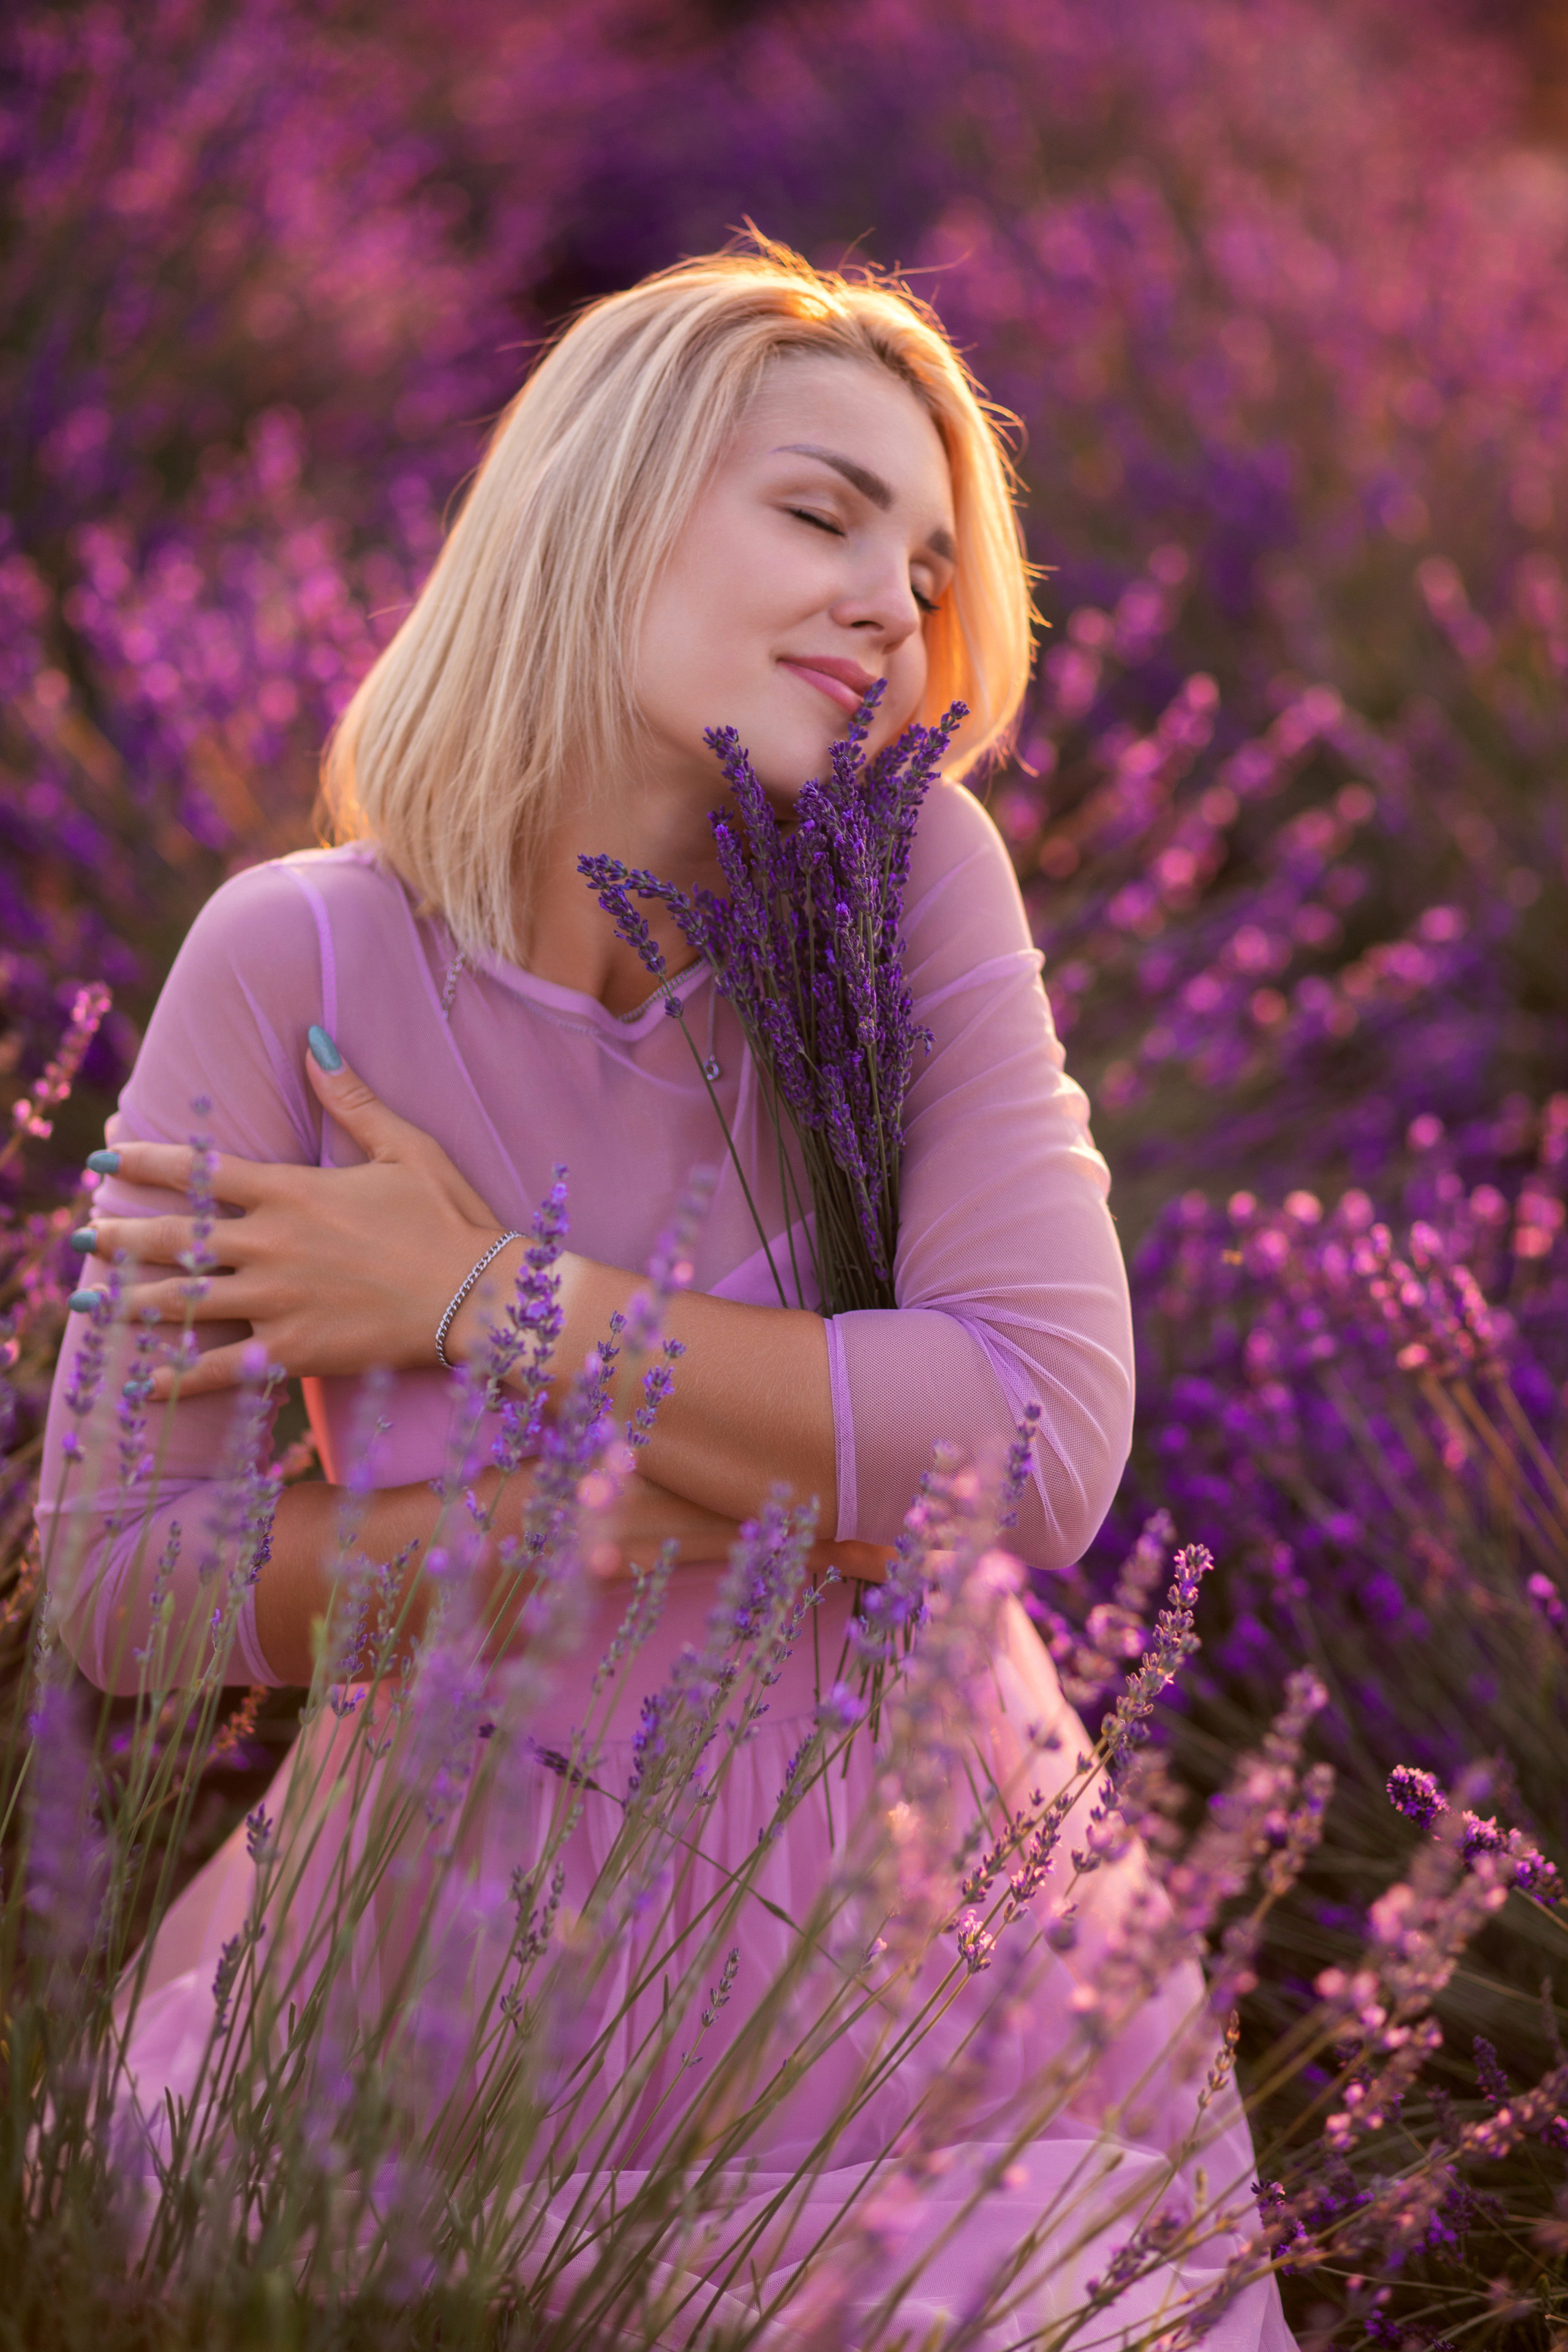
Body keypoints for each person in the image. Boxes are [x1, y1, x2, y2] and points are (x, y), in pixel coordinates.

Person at [39, 237, 1292, 2346]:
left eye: (927, 564)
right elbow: (129, 1574)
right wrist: (576, 1532)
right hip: (435, 2019)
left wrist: (482, 1295)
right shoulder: (299, 962)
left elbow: (1041, 1447)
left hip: (928, 2006)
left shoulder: (910, 901)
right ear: (603, 506)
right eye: (821, 512)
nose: (894, 604)